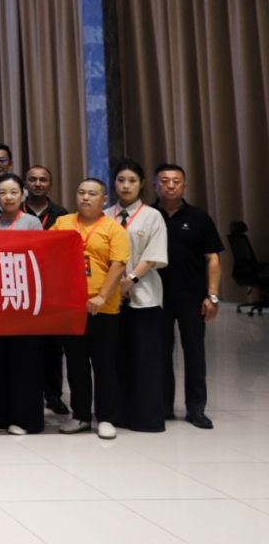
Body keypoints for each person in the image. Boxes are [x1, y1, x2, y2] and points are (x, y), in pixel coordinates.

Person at [54, 178, 129, 439]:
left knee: (104, 364)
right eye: (81, 192)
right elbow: (47, 252)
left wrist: (102, 296)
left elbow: (118, 265)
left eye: (92, 194)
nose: (86, 197)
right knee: (76, 365)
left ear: (104, 200)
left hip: (103, 308)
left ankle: (106, 417)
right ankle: (81, 416)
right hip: (72, 307)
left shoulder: (113, 228)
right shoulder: (63, 222)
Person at [154, 163, 223, 429]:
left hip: (192, 298)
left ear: (184, 185)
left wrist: (212, 296)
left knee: (195, 354)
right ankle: (163, 407)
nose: (170, 185)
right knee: (160, 354)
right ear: (155, 185)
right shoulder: (148, 215)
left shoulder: (199, 217)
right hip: (156, 297)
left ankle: (196, 408)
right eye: (164, 180)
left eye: (176, 181)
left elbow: (212, 259)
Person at [0, 173, 46, 436]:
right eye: (3, 193)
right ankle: (1, 415)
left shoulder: (31, 222)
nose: (8, 197)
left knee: (24, 362)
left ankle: (24, 419)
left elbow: (38, 259)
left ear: (23, 195)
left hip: (23, 300)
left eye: (13, 192)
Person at [108, 159, 169, 433]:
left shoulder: (152, 216)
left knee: (145, 360)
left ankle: (146, 418)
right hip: (109, 298)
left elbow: (153, 255)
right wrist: (113, 287)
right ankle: (116, 414)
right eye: (121, 180)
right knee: (115, 359)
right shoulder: (104, 215)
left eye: (132, 180)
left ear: (142, 184)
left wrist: (127, 281)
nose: (126, 185)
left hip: (144, 297)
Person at [23, 165, 72, 415]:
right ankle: (28, 391)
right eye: (32, 179)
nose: (37, 183)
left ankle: (53, 394)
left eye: (43, 180)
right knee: (27, 344)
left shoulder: (62, 215)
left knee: (53, 345)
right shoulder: (15, 211)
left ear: (50, 185)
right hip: (22, 285)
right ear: (25, 184)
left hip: (52, 287)